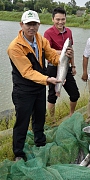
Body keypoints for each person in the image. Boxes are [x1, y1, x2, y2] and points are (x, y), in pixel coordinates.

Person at [7, 10, 73, 161]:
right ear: (21, 25)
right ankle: (18, 152)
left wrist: (63, 57)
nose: (32, 27)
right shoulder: (14, 47)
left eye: (34, 24)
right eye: (28, 24)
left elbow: (52, 57)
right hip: (23, 89)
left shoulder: (41, 40)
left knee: (39, 116)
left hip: (39, 87)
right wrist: (48, 79)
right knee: (22, 121)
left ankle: (40, 142)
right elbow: (27, 72)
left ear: (39, 24)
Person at [44, 7, 80, 118]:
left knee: (75, 94)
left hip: (66, 66)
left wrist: (73, 65)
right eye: (58, 19)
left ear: (65, 19)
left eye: (63, 19)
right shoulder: (48, 33)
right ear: (52, 19)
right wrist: (62, 52)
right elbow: (46, 50)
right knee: (52, 95)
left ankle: (71, 114)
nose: (60, 22)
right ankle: (52, 119)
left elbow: (71, 49)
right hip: (53, 67)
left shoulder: (69, 31)